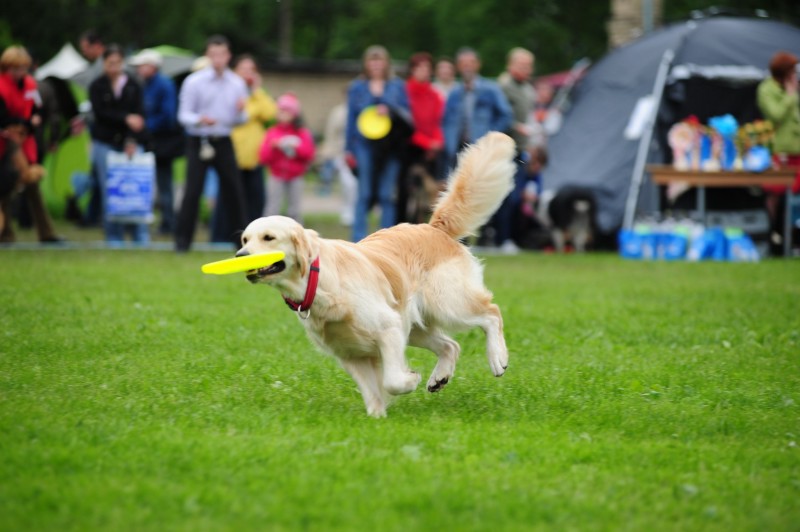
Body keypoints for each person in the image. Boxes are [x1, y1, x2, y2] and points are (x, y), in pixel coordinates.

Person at [174, 35, 249, 252]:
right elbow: (183, 115)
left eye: (222, 55)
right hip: (199, 140)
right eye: (213, 54)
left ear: (228, 56)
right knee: (193, 191)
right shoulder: (194, 81)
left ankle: (242, 242)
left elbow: (241, 119)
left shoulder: (237, 83)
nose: (218, 59)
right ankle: (182, 242)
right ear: (207, 55)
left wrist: (240, 111)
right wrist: (199, 119)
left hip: (223, 140)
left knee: (234, 191)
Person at [442, 47, 513, 249]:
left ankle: (485, 237)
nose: (467, 67)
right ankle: (460, 241)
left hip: (481, 152)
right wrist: (448, 144)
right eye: (463, 64)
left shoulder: (490, 89)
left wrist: (490, 139)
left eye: (470, 63)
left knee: (481, 193)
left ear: (477, 65)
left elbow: (506, 115)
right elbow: (447, 120)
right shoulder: (455, 93)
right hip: (458, 151)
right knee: (458, 195)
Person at [345, 45, 412, 242]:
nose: (376, 64)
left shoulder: (397, 85)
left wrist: (389, 109)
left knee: (387, 194)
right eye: (372, 60)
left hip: (391, 147)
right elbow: (351, 119)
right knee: (364, 194)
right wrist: (348, 149)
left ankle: (386, 241)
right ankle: (358, 240)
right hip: (364, 146)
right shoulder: (357, 87)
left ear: (386, 63)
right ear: (366, 64)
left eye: (379, 60)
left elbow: (406, 115)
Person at [211, 54, 276, 242]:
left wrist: (256, 91)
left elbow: (270, 112)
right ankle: (221, 238)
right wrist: (252, 109)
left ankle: (256, 239)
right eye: (243, 70)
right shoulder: (228, 90)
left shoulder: (257, 94)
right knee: (228, 200)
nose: (248, 74)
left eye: (252, 70)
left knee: (255, 200)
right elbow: (238, 113)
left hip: (255, 157)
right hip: (232, 155)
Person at [88, 44, 149, 244]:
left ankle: (139, 236)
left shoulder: (133, 85)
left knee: (135, 190)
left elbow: (139, 116)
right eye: (109, 63)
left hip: (129, 145)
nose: (113, 67)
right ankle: (113, 236)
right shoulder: (97, 86)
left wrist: (131, 140)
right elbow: (100, 114)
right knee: (110, 191)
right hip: (104, 143)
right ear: (104, 64)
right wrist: (125, 118)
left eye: (117, 63)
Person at [0, 45, 61, 243]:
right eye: (16, 68)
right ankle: (6, 233)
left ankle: (47, 233)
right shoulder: (1, 87)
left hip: (26, 141)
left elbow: (37, 110)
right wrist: (25, 122)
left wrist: (31, 122)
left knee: (32, 183)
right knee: (5, 188)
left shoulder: (30, 85)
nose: (20, 73)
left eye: (23, 68)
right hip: (5, 142)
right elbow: (3, 119)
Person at [129, 48, 182, 235]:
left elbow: (169, 116)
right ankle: (161, 221)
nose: (138, 69)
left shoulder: (164, 85)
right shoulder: (145, 84)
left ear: (152, 66)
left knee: (164, 184)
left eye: (142, 65)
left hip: (163, 143)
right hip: (151, 141)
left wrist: (145, 125)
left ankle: (169, 223)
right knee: (155, 183)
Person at [493, 47, 537, 253]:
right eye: (522, 65)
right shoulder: (502, 86)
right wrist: (514, 126)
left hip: (521, 149)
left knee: (516, 196)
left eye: (529, 65)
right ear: (511, 65)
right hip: (503, 148)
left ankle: (508, 237)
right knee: (504, 195)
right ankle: (501, 238)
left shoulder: (528, 89)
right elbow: (498, 114)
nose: (527, 69)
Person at [757, 51, 800, 252]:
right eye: (792, 70)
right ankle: (775, 235)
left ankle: (791, 235)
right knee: (776, 194)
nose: (795, 74)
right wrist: (791, 96)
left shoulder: (792, 88)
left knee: (793, 196)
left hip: (798, 152)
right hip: (781, 153)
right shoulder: (767, 89)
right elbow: (776, 115)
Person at [398, 51, 444, 224]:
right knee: (405, 191)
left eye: (427, 68)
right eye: (420, 67)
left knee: (428, 192)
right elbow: (407, 126)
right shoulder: (404, 92)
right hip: (409, 149)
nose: (424, 71)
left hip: (429, 151)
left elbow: (438, 121)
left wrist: (437, 142)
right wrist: (427, 142)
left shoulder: (434, 95)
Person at [259, 93, 315, 223]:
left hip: (296, 176)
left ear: (294, 114)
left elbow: (309, 154)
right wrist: (274, 147)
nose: (281, 114)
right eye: (280, 111)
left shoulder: (302, 133)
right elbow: (263, 157)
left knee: (294, 210)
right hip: (276, 175)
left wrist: (295, 147)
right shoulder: (272, 132)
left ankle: (297, 238)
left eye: (285, 111)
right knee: (272, 209)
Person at [318, 94, 357, 226]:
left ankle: (355, 211)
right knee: (348, 184)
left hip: (360, 154)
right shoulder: (338, 112)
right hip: (342, 153)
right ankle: (347, 211)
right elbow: (331, 133)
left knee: (356, 186)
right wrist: (329, 152)